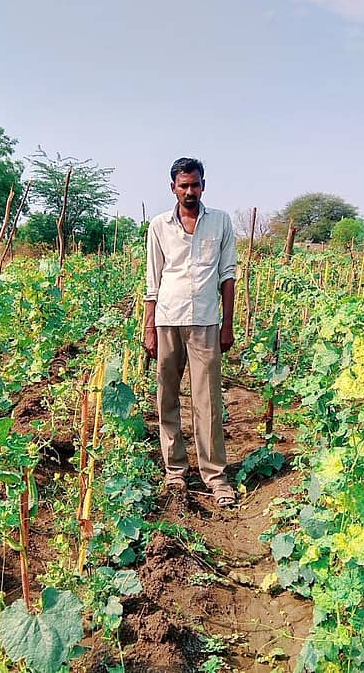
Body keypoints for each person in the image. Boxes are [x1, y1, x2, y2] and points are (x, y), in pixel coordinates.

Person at [143, 157, 237, 507]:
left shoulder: (221, 222)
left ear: (203, 185)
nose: (189, 191)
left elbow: (227, 276)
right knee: (167, 395)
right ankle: (175, 471)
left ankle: (215, 477)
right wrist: (149, 329)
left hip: (206, 322)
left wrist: (227, 324)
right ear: (173, 188)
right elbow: (153, 281)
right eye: (183, 185)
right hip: (168, 319)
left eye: (195, 184)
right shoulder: (159, 226)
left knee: (207, 400)